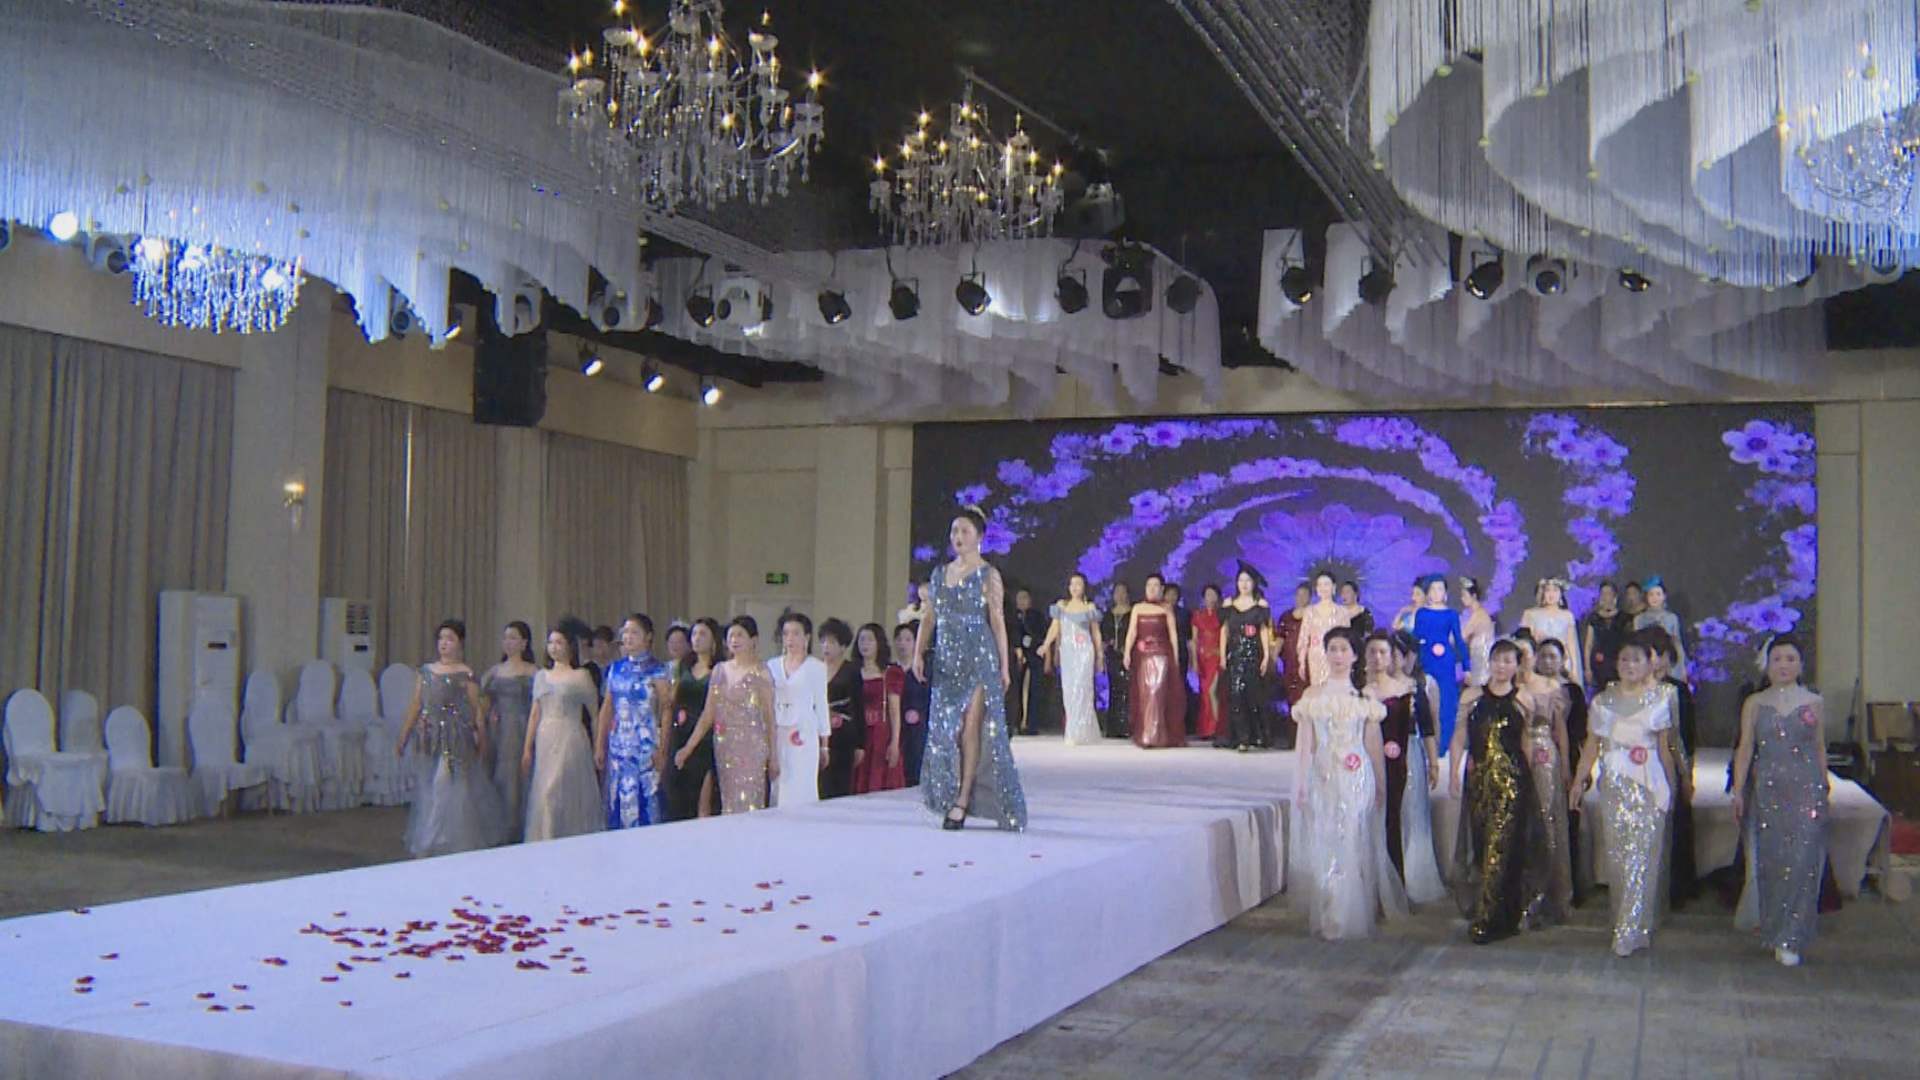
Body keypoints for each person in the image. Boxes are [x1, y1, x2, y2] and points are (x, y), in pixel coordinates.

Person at [915, 505, 1028, 831]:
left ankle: (962, 799)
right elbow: (929, 617)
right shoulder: (940, 574)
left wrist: (1004, 666)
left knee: (970, 728)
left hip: (979, 657)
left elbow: (997, 621)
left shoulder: (988, 575)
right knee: (943, 730)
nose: (958, 537)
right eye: (954, 531)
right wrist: (918, 653)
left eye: (965, 531)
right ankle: (949, 790)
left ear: (979, 536)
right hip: (947, 661)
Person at [1290, 627, 1405, 939]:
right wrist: (1301, 783)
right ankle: (1329, 909)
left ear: (1355, 656)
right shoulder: (1312, 696)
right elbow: (1306, 745)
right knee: (1324, 840)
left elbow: (1373, 744)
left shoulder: (1364, 698)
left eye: (1344, 649)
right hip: (1323, 776)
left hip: (1356, 777)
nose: (1338, 655)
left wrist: (1379, 784)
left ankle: (1346, 913)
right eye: (1333, 649)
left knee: (1351, 840)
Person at [1570, 637, 1678, 957]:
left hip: (1650, 782)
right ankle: (1624, 922)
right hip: (1615, 782)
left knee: (1645, 855)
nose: (1630, 665)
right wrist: (1578, 781)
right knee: (1619, 857)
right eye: (1625, 659)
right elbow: (1592, 744)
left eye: (1637, 659)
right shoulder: (1603, 701)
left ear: (1649, 663)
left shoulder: (1662, 697)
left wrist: (1672, 786)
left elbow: (1665, 748)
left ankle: (1634, 928)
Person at [1729, 635, 1828, 967]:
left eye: (1790, 659)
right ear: (1767, 665)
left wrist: (1824, 786)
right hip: (1768, 790)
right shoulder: (1755, 703)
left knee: (1803, 861)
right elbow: (1745, 748)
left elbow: (1819, 747)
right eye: (1777, 659)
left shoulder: (1814, 702)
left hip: (1807, 790)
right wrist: (1738, 790)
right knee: (1771, 862)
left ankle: (1793, 936)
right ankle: (1774, 929)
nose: (1784, 665)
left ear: (1801, 664)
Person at [1449, 639, 1538, 944]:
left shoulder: (1523, 700)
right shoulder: (1472, 697)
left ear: (1517, 666)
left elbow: (1526, 742)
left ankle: (1489, 919)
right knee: (1482, 844)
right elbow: (1459, 735)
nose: (1502, 666)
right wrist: (1454, 772)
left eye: (1508, 661)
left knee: (1504, 846)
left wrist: (1531, 779)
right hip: (1481, 782)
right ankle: (1490, 910)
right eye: (1497, 660)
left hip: (1512, 782)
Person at [397, 619, 505, 858]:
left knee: (445, 783)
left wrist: (482, 738)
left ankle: (431, 839)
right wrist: (404, 735)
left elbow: (476, 710)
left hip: (456, 737)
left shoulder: (465, 674)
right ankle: (440, 834)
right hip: (430, 735)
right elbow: (416, 704)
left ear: (460, 644)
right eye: (441, 639)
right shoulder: (426, 672)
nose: (444, 643)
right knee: (430, 787)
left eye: (450, 639)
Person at [1364, 631, 1445, 905]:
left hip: (1408, 753)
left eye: (1396, 653)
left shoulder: (1413, 689)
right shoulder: (1365, 690)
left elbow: (1428, 728)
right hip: (1372, 756)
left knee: (1408, 813)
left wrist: (1433, 762)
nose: (1393, 659)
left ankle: (1410, 878)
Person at [1512, 634, 1573, 926]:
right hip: (1513, 755)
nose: (1523, 661)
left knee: (1546, 820)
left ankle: (1548, 895)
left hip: (1543, 755)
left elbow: (1560, 730)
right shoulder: (1506, 687)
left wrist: (1567, 768)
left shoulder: (1550, 687)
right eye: (1517, 656)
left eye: (1526, 655)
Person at [522, 627, 604, 842]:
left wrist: (598, 745)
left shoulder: (580, 676)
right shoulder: (541, 677)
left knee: (557, 788)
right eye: (550, 643)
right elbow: (535, 714)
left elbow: (595, 714)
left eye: (559, 642)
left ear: (569, 646)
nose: (554, 647)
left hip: (570, 735)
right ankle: (547, 837)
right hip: (546, 737)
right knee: (544, 790)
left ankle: (565, 837)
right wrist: (527, 748)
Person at [691, 616, 778, 814]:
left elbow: (769, 718)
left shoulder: (761, 672)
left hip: (752, 745)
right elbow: (708, 714)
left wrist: (773, 756)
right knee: (728, 801)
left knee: (750, 801)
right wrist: (689, 746)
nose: (734, 640)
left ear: (753, 640)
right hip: (725, 744)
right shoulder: (719, 671)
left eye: (740, 635)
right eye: (731, 636)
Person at [1641, 625, 1699, 904]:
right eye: (1649, 653)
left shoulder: (1678, 691)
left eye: (1659, 654)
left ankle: (1676, 888)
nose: (1655, 660)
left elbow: (1686, 737)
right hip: (1639, 768)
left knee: (1674, 825)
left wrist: (1687, 774)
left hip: (1669, 764)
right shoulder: (1631, 691)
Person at [595, 614, 670, 829]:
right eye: (625, 632)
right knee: (617, 798)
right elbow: (607, 707)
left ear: (648, 637)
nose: (628, 637)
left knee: (646, 799)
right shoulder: (615, 668)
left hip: (646, 745)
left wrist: (663, 748)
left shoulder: (657, 670)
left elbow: (666, 709)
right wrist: (599, 743)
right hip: (619, 744)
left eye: (634, 632)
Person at [1536, 638, 1591, 901]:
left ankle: (1570, 887)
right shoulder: (1528, 687)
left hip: (1567, 759)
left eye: (1553, 657)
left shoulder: (1573, 691)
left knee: (1569, 822)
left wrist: (1579, 770)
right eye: (1543, 656)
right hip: (1538, 759)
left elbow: (1582, 731)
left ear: (1563, 660)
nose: (1547, 662)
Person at [481, 621, 537, 842]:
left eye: (513, 638)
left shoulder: (532, 672)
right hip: (500, 731)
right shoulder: (494, 672)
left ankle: (520, 829)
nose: (508, 642)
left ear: (524, 643)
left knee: (521, 778)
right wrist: (489, 715)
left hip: (523, 728)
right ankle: (501, 829)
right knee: (500, 777)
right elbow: (484, 703)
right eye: (505, 638)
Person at [768, 612, 830, 809]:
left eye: (796, 633)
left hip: (804, 734)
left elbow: (821, 705)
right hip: (779, 733)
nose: (790, 639)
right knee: (779, 786)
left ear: (807, 637)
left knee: (801, 785)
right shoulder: (771, 666)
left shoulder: (816, 667)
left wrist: (825, 745)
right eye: (786, 634)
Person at [663, 619, 721, 821]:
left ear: (714, 640)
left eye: (702, 634)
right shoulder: (684, 666)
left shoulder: (719, 670)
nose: (696, 639)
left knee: (703, 800)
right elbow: (672, 700)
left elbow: (711, 711)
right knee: (677, 796)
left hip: (705, 737)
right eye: (694, 634)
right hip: (681, 731)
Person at [1039, 572, 1104, 746]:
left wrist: (1100, 655)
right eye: (1072, 584)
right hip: (1068, 651)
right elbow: (1054, 628)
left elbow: (1096, 632)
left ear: (1084, 587)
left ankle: (1084, 731)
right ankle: (1073, 731)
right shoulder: (1062, 605)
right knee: (1069, 690)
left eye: (1078, 584)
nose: (1075, 587)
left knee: (1083, 688)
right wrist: (1046, 645)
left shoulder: (1089, 607)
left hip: (1084, 651)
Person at [1124, 573, 1188, 748]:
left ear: (1161, 589)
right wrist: (1127, 652)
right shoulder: (1138, 608)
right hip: (1143, 657)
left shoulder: (1167, 608)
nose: (1152, 589)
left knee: (1156, 693)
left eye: (1156, 586)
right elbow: (1132, 632)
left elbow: (1173, 635)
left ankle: (1156, 735)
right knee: (1145, 695)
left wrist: (1175, 658)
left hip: (1161, 655)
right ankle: (1147, 734)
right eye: (1149, 585)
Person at [1218, 563, 1274, 752]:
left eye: (1248, 580)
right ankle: (1240, 738)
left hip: (1254, 655)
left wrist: (1266, 656)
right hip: (1234, 655)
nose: (1244, 584)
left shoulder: (1261, 605)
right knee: (1236, 695)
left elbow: (1264, 631)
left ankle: (1257, 736)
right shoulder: (1228, 604)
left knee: (1254, 696)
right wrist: (1222, 655)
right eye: (1241, 580)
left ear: (1254, 583)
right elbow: (1224, 631)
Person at [1411, 574, 1469, 753]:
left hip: (1445, 661)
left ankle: (1443, 743)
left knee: (1446, 700)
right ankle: (1427, 743)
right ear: (1428, 593)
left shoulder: (1451, 614)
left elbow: (1459, 640)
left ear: (1445, 592)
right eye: (1433, 589)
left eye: (1440, 589)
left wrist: (1466, 667)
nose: (1436, 593)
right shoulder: (1421, 613)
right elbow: (1416, 637)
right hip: (1426, 658)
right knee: (1426, 697)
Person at [856, 623, 907, 793]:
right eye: (862, 640)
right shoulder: (853, 672)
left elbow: (894, 710)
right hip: (859, 733)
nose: (865, 644)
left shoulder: (890, 673)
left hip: (880, 734)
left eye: (870, 640)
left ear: (879, 643)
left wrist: (895, 742)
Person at [819, 619, 865, 799]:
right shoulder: (815, 669)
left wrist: (860, 745)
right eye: (823, 641)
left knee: (839, 785)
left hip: (844, 735)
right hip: (819, 734)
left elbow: (858, 707)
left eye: (831, 642)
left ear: (843, 646)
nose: (826, 646)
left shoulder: (851, 671)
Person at [1521, 579, 1584, 688]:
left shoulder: (1567, 616)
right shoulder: (1531, 614)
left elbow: (1571, 643)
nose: (1551, 594)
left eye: (1555, 590)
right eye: (1548, 590)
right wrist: (1534, 638)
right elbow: (1524, 640)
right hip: (1540, 659)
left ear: (1560, 594)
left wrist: (1574, 667)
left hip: (1562, 661)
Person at [1296, 571, 1351, 688]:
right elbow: (1304, 638)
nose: (1323, 588)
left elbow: (1347, 640)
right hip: (1315, 658)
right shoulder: (1310, 611)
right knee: (1318, 691)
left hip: (1336, 657)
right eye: (1320, 585)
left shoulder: (1343, 612)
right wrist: (1302, 663)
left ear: (1334, 587)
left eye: (1326, 584)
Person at [1007, 586, 1050, 736]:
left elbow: (1043, 636)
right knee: (1017, 690)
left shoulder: (1037, 616)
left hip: (1035, 655)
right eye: (1019, 598)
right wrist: (1018, 649)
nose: (1022, 601)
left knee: (1034, 690)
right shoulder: (1012, 616)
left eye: (1025, 597)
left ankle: (1031, 724)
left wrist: (1047, 657)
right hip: (1017, 657)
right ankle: (1018, 722)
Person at [894, 623, 931, 783]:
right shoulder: (891, 670)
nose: (903, 644)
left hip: (918, 730)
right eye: (899, 639)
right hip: (896, 729)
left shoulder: (924, 672)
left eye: (908, 639)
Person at [1634, 577, 1688, 679]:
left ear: (1664, 596)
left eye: (1658, 594)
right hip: (1647, 662)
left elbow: (1677, 643)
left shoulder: (1672, 618)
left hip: (1669, 662)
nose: (1655, 598)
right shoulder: (1639, 619)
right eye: (1651, 594)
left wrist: (1682, 666)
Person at [1191, 584, 1224, 742]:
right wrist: (1194, 660)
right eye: (1208, 595)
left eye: (1213, 594)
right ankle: (1205, 729)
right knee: (1204, 692)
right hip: (1202, 658)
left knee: (1214, 691)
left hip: (1216, 656)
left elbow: (1225, 636)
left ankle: (1218, 728)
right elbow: (1194, 639)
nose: (1210, 598)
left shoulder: (1222, 614)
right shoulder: (1197, 615)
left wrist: (1222, 653)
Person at [1101, 582, 1134, 739]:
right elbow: (1103, 636)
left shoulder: (1133, 613)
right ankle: (1113, 727)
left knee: (1128, 690)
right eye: (1117, 592)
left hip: (1128, 656)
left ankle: (1127, 725)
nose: (1120, 595)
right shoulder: (1109, 615)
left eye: (1123, 592)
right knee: (1113, 690)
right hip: (1112, 656)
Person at [1581, 581, 1627, 692]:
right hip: (1600, 664)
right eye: (1603, 593)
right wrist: (1587, 668)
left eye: (1608, 593)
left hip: (1619, 663)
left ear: (1615, 596)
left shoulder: (1624, 618)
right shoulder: (1594, 618)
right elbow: (1588, 645)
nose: (1605, 597)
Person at [1164, 582, 1196, 734]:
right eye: (1169, 594)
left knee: (1179, 686)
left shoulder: (1184, 614)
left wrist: (1192, 658)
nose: (1171, 597)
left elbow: (1190, 637)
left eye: (1174, 594)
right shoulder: (1159, 611)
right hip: (1163, 652)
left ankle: (1180, 722)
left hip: (1181, 653)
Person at [1461, 577, 1495, 689]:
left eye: (1465, 595)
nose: (1462, 599)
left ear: (1474, 596)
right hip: (1477, 657)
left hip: (1482, 658)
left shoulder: (1479, 615)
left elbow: (1462, 636)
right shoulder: (1477, 614)